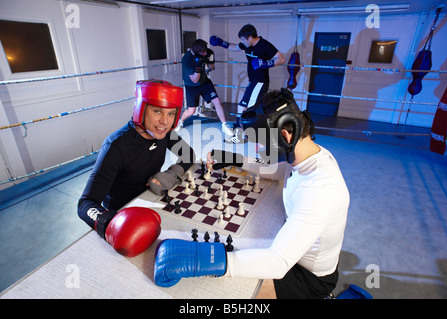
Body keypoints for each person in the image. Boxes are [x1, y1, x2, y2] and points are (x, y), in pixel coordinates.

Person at [153, 88, 350, 299]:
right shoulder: (309, 156)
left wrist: (206, 258)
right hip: (297, 254)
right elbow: (281, 171)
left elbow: (277, 262)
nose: (257, 150)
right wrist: (235, 159)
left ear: (285, 135)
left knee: (225, 291)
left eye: (262, 143)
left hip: (308, 277)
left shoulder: (319, 190)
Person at [78, 80, 196, 231]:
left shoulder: (164, 133)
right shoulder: (116, 146)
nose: (165, 121)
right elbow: (86, 203)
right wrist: (111, 224)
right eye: (157, 111)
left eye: (171, 113)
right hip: (123, 213)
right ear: (141, 109)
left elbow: (188, 154)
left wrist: (171, 174)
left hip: (152, 200)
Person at [210, 24, 286, 143]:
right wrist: (221, 43)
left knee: (243, 107)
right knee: (248, 108)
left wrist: (265, 63)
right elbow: (235, 47)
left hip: (260, 82)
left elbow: (281, 58)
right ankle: (246, 134)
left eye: (243, 40)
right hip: (254, 82)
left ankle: (240, 135)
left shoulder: (264, 45)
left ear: (250, 37)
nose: (242, 42)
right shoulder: (247, 45)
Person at [176, 39, 234, 137]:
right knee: (191, 110)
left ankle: (224, 125)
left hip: (204, 82)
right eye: (203, 52)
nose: (205, 53)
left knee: (217, 102)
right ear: (197, 51)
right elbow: (194, 80)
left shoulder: (204, 53)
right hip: (192, 86)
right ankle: (180, 122)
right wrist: (198, 67)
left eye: (206, 50)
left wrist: (211, 59)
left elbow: (211, 68)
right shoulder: (187, 59)